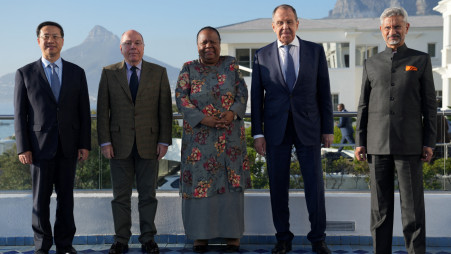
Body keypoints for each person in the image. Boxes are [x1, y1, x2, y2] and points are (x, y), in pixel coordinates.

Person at [251, 5, 334, 254]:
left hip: (309, 127)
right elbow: (257, 99)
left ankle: (318, 239)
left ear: (298, 24)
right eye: (280, 23)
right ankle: (283, 238)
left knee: (314, 187)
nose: (285, 27)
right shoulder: (261, 55)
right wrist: (258, 133)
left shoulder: (315, 51)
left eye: (289, 22)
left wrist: (328, 128)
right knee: (277, 186)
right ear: (273, 26)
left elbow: (324, 93)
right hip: (275, 131)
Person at [354, 7, 436, 254]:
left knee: (412, 211)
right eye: (388, 27)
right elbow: (363, 105)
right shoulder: (370, 62)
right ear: (381, 30)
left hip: (410, 146)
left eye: (397, 26)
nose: (393, 31)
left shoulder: (421, 60)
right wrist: (359, 141)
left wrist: (429, 142)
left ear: (406, 28)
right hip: (376, 146)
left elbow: (430, 105)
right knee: (380, 211)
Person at [14, 21, 91, 254]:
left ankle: (65, 245)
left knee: (66, 200)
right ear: (38, 41)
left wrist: (84, 144)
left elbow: (84, 113)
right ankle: (42, 246)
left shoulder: (77, 72)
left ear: (63, 41)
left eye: (55, 36)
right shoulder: (25, 73)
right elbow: (19, 115)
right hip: (38, 149)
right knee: (40, 201)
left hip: (69, 148)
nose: (51, 40)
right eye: (46, 36)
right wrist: (22, 148)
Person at [175, 26, 250, 253]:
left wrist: (233, 113)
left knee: (230, 188)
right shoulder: (188, 69)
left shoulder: (231, 65)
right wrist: (204, 119)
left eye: (213, 42)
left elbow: (242, 93)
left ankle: (232, 236)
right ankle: (200, 236)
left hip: (230, 141)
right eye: (204, 42)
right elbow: (181, 98)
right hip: (199, 142)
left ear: (220, 43)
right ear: (197, 45)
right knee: (199, 187)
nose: (209, 46)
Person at [97, 30, 172, 254]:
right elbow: (102, 111)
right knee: (120, 196)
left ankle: (148, 238)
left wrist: (164, 141)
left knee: (148, 195)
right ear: (121, 48)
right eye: (128, 43)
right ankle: (121, 239)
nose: (133, 47)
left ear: (143, 46)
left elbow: (165, 111)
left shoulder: (159, 73)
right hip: (118, 145)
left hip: (150, 143)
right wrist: (105, 142)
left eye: (137, 43)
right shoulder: (109, 73)